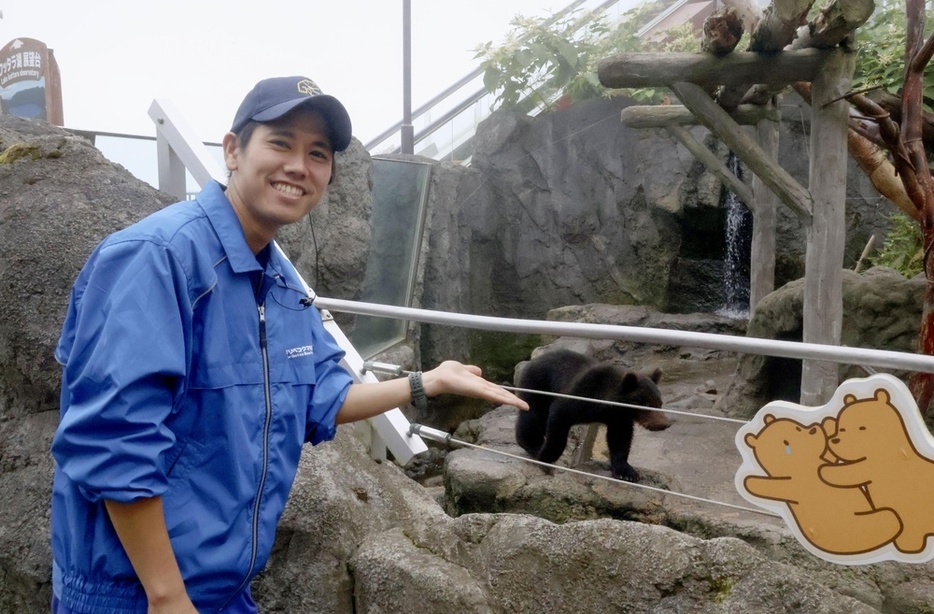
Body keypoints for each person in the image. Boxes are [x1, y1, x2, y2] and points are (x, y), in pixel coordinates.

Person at [50, 76, 528, 614]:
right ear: (233, 150)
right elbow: (116, 439)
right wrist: (166, 595)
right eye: (280, 142)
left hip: (222, 588)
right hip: (137, 593)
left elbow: (321, 396)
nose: (299, 165)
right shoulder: (157, 258)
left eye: (317, 153)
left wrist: (427, 381)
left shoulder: (277, 280)